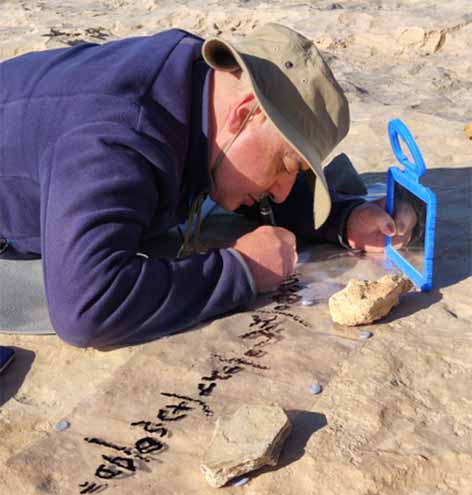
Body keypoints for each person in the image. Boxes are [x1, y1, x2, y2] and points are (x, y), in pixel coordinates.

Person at [0, 23, 415, 348]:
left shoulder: (195, 82)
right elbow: (86, 309)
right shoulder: (120, 139)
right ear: (245, 112)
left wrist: (342, 218)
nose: (285, 191)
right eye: (287, 163)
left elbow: (231, 165)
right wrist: (242, 270)